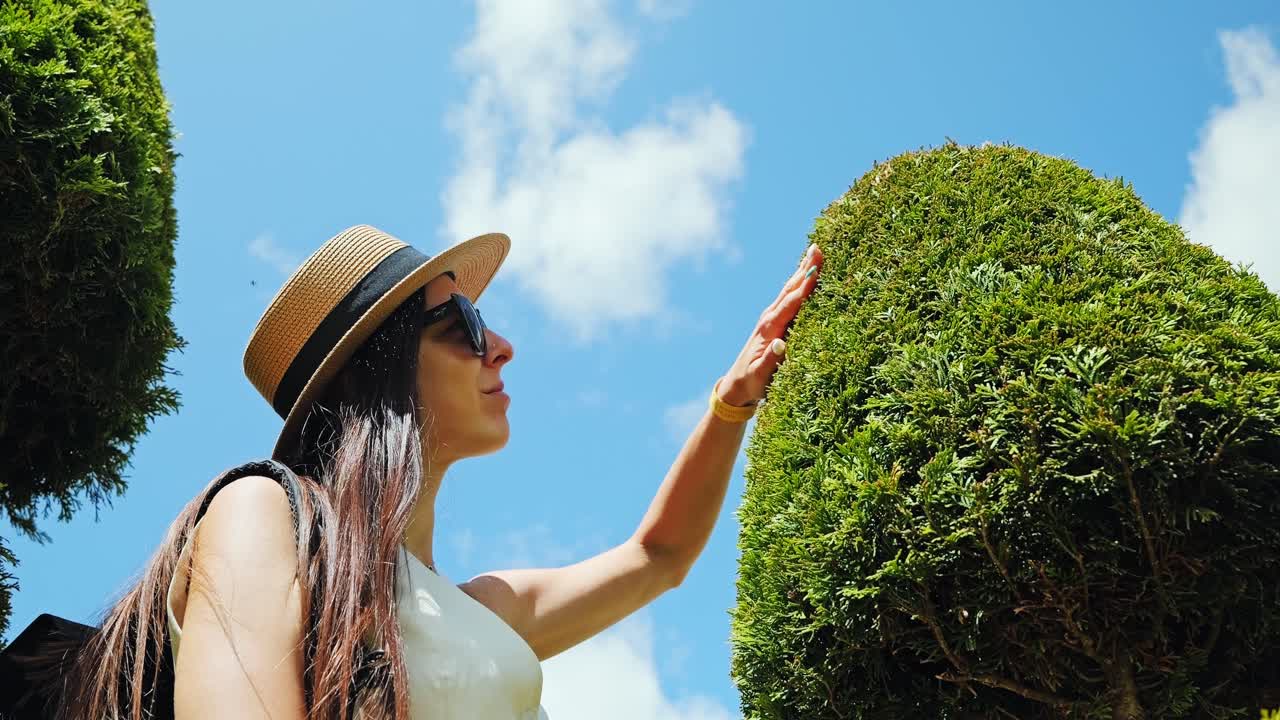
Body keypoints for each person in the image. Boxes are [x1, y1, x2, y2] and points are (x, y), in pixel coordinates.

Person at [55, 224, 824, 719]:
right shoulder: (260, 514)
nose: (502, 346)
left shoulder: (485, 610)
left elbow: (658, 556)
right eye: (464, 323)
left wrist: (729, 404)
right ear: (376, 371)